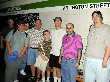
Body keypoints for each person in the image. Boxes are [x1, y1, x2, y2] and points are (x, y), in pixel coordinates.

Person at [84, 11, 110, 82]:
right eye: (93, 17)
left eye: (97, 16)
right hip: (88, 60)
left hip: (100, 61)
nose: (95, 18)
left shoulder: (107, 28)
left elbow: (109, 46)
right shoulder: (91, 27)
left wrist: (105, 60)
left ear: (101, 17)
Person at [50, 17, 66, 82]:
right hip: (53, 53)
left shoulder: (64, 31)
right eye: (55, 21)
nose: (57, 22)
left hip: (60, 54)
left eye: (58, 21)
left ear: (61, 22)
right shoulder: (52, 31)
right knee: (54, 69)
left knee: (59, 69)